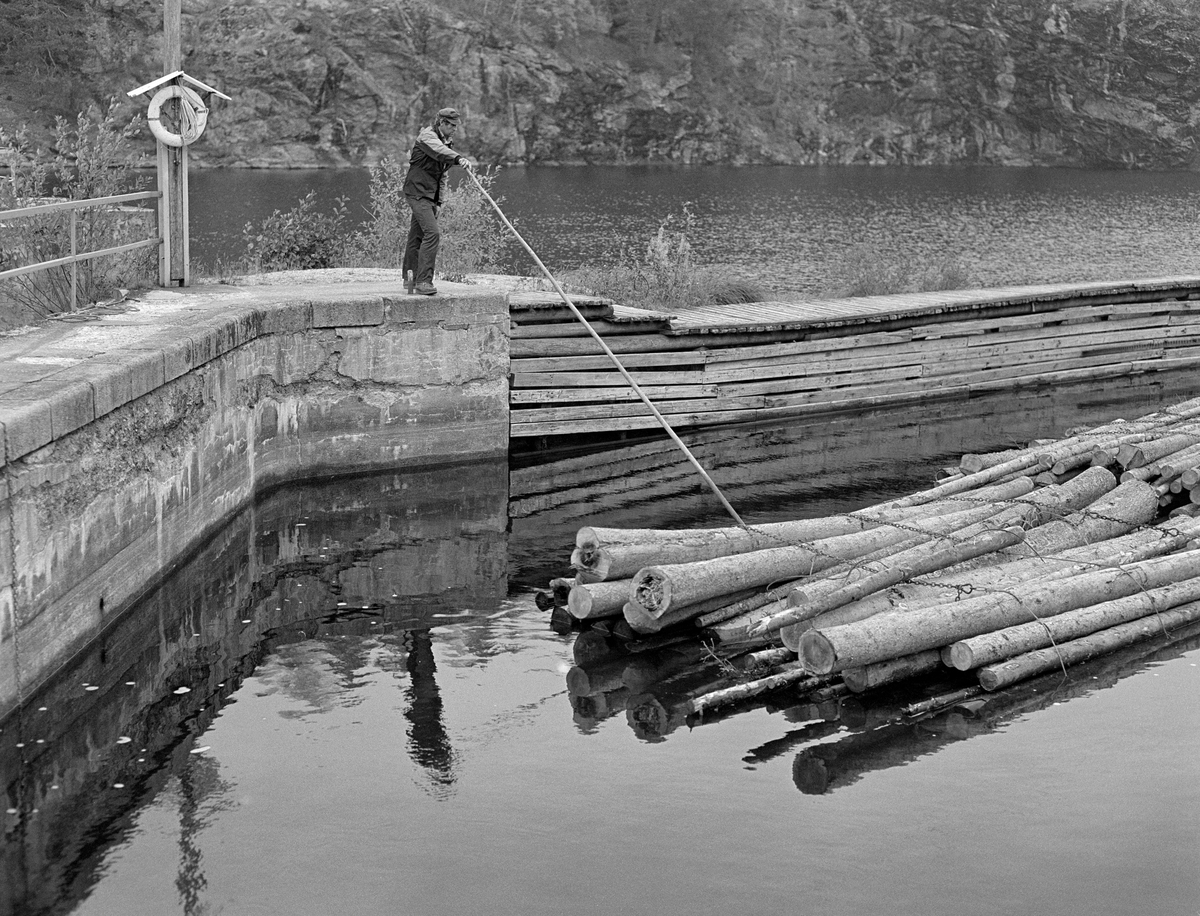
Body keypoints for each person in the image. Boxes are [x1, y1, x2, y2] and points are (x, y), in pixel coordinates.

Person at [402, 107, 474, 296]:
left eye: (456, 126)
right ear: (442, 123)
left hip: (429, 196)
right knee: (432, 233)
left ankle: (409, 282)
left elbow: (441, 176)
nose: (455, 129)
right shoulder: (427, 136)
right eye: (452, 125)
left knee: (416, 236)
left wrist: (439, 202)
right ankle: (424, 282)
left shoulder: (446, 143)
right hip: (417, 192)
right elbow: (439, 151)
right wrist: (458, 158)